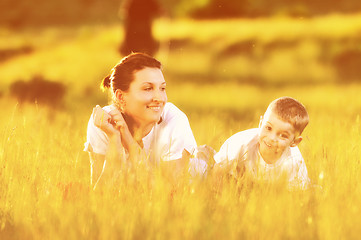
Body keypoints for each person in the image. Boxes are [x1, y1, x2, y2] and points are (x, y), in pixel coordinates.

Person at [84, 53, 197, 189]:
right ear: (120, 96)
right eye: (148, 89)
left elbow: (169, 194)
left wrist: (126, 137)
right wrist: (114, 140)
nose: (159, 98)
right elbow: (98, 197)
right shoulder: (103, 122)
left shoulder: (174, 120)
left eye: (162, 88)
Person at [212, 96, 310, 190]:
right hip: (234, 179)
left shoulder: (294, 161)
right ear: (260, 123)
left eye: (283, 136)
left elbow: (297, 195)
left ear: (294, 142)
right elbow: (218, 170)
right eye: (268, 128)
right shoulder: (242, 143)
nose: (272, 138)